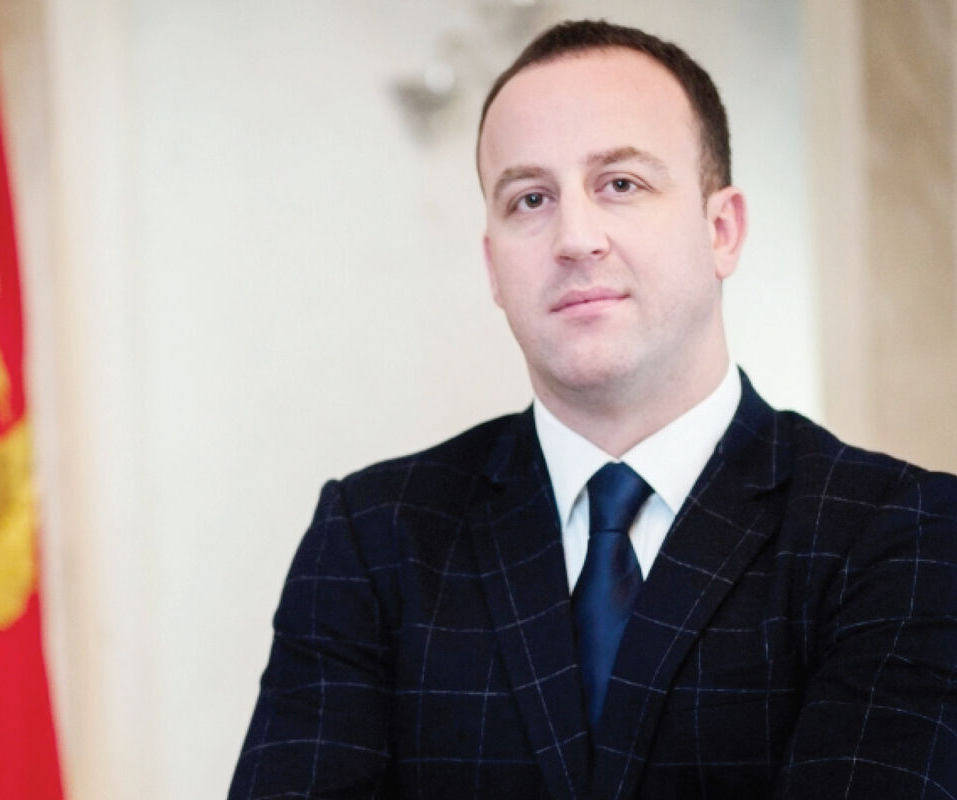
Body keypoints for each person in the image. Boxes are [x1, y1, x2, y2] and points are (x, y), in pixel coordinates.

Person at [229, 19, 957, 800]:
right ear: (494, 267)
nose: (575, 238)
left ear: (722, 230)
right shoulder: (373, 538)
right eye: (530, 199)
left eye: (621, 184)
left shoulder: (900, 532)